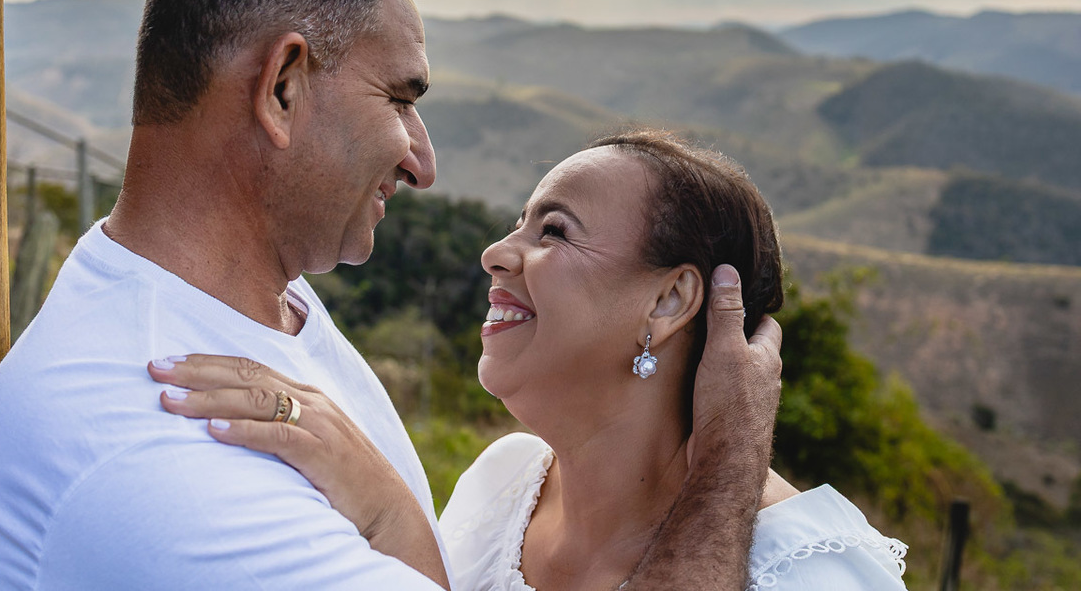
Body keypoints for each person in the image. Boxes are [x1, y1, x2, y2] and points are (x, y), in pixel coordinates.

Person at [0, 0, 780, 590]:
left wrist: (390, 515)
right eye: (400, 98)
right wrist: (728, 469)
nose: (423, 159)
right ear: (284, 87)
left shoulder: (267, 309)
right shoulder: (170, 470)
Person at [150, 130, 909, 590]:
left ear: (669, 303)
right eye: (521, 223)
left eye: (554, 231)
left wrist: (387, 510)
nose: (496, 253)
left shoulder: (815, 573)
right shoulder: (504, 482)